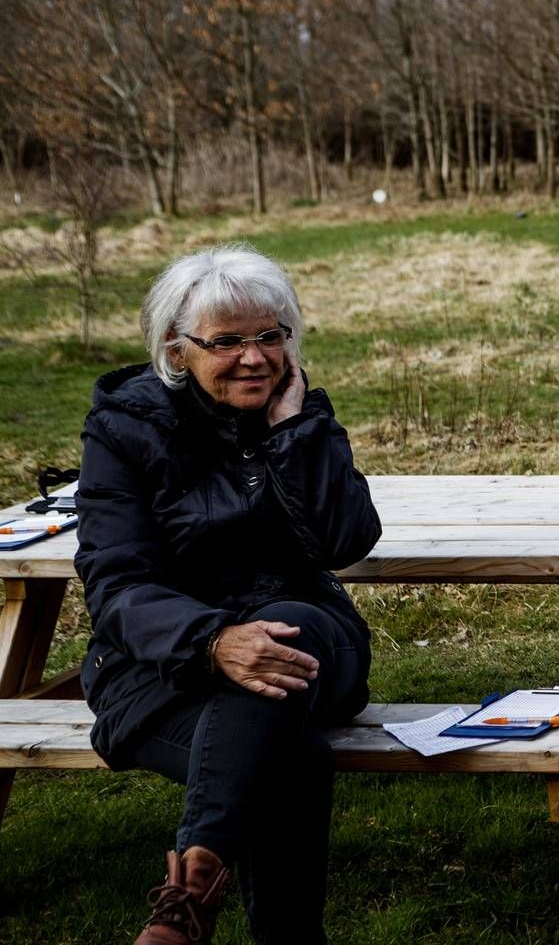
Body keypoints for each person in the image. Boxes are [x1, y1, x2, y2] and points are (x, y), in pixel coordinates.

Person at [76, 244, 381, 944]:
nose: (255, 358)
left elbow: (347, 541)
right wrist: (213, 642)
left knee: (284, 629)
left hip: (311, 646)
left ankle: (181, 909)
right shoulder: (124, 431)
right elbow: (118, 583)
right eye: (229, 342)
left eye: (271, 336)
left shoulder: (300, 413)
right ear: (177, 351)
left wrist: (295, 434)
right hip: (160, 671)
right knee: (291, 759)